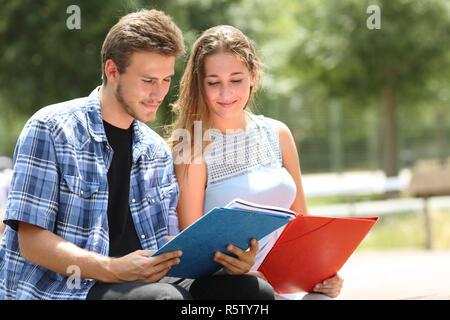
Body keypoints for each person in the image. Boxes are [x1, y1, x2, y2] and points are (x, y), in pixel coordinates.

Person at [0, 10, 273, 300]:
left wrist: (225, 264)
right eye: (148, 80)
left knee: (253, 291)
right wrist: (114, 268)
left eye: (166, 80)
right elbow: (31, 241)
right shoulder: (51, 128)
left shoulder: (156, 151)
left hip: (146, 282)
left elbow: (168, 244)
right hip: (66, 289)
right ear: (112, 71)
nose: (159, 93)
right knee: (166, 299)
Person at [168, 25, 343, 299]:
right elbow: (193, 252)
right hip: (236, 287)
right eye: (213, 82)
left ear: (253, 76)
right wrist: (238, 271)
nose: (225, 94)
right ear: (199, 84)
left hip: (287, 279)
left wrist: (325, 275)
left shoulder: (278, 134)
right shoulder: (192, 147)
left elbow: (304, 224)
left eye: (236, 80)